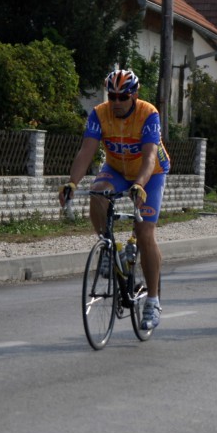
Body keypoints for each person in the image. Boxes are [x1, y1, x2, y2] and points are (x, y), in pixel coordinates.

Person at [60, 69, 170, 331]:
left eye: (123, 96)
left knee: (144, 232)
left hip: (150, 174)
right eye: (113, 96)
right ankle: (110, 246)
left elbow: (150, 157)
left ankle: (152, 301)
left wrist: (140, 185)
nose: (117, 102)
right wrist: (72, 182)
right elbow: (86, 150)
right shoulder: (100, 113)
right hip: (117, 169)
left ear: (134, 95)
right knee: (98, 192)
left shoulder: (149, 113)